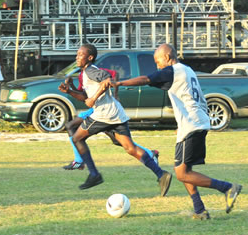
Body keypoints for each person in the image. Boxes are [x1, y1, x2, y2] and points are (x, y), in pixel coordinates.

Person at [111, 43, 242, 219]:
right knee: (185, 170)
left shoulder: (173, 70)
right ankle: (200, 210)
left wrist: (119, 82)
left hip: (192, 124)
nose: (157, 66)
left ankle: (227, 188)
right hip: (195, 123)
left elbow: (146, 79)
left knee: (182, 173)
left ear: (167, 57)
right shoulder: (186, 70)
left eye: (158, 61)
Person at [58, 44, 171, 195]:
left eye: (80, 55)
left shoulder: (91, 70)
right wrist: (70, 91)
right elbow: (85, 98)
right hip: (115, 113)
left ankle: (94, 175)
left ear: (89, 58)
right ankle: (161, 174)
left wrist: (94, 98)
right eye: (76, 55)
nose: (76, 57)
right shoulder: (86, 72)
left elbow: (107, 79)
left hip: (104, 114)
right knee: (130, 148)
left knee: (77, 138)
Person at [61, 68, 159, 170]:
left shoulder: (93, 71)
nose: (78, 58)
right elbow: (83, 96)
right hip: (96, 110)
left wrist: (115, 94)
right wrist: (71, 86)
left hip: (104, 110)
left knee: (71, 126)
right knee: (117, 140)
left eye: (80, 55)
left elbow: (113, 74)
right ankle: (150, 153)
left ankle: (79, 161)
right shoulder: (83, 75)